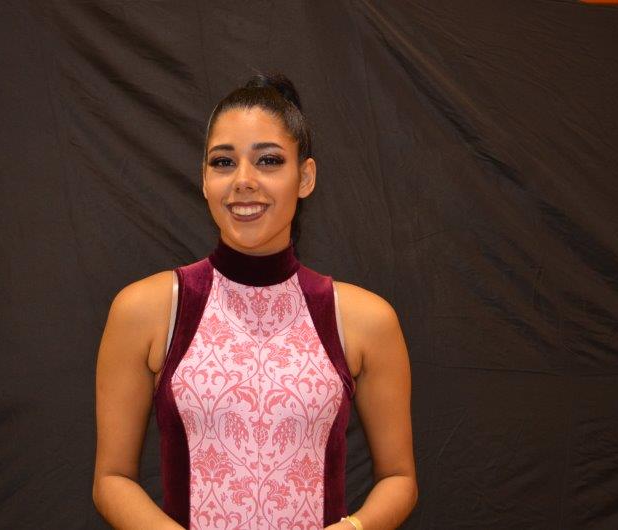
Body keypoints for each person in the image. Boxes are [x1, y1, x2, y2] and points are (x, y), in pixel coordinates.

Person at [92, 73, 417, 530]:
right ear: (204, 180)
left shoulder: (363, 320)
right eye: (223, 162)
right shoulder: (147, 311)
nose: (243, 181)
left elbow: (400, 478)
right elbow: (111, 479)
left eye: (268, 160)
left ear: (305, 177)